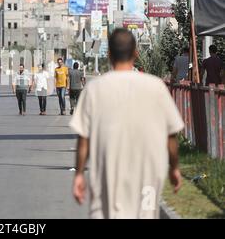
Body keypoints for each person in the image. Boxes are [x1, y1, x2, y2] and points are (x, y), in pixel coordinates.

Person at [70, 29, 183, 219]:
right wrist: (174, 168)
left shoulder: (94, 89)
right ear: (136, 53)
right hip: (147, 177)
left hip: (106, 177)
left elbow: (84, 139)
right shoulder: (155, 86)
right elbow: (170, 135)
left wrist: (79, 173)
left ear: (109, 55)